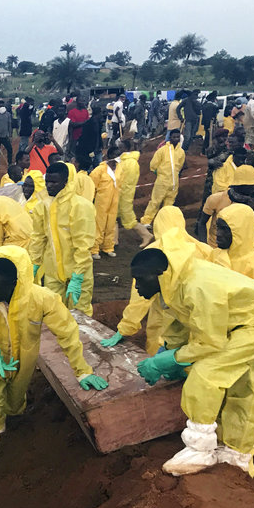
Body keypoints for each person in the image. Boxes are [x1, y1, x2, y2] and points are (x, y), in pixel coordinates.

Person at [130, 244, 254, 477]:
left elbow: (209, 342)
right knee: (242, 382)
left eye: (140, 279)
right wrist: (167, 350)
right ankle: (235, 456)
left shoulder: (197, 286)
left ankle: (201, 448)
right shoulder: (173, 284)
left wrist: (172, 360)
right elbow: (179, 323)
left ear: (159, 274)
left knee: (208, 371)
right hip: (240, 323)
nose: (137, 286)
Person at [0, 245, 105, 452]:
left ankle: (9, 422)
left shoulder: (41, 299)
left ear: (15, 284)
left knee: (14, 404)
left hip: (24, 363)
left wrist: (82, 371)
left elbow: (67, 332)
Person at [103, 206, 213, 356]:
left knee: (160, 363)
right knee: (190, 357)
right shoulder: (204, 249)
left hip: (164, 320)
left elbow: (140, 297)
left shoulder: (153, 253)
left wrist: (126, 327)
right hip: (197, 319)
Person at [30, 163, 96, 315]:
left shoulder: (79, 206)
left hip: (77, 270)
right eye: (48, 181)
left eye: (54, 182)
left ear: (65, 182)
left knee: (80, 313)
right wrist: (35, 262)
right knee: (54, 312)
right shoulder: (43, 206)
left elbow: (83, 245)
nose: (49, 186)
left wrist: (78, 275)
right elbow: (38, 237)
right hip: (53, 270)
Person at [141, 129, 186, 227]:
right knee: (155, 202)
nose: (176, 139)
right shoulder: (162, 150)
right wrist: (160, 174)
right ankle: (146, 221)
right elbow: (153, 165)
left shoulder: (181, 152)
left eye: (178, 137)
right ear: (170, 138)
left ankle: (164, 222)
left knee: (169, 205)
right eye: (174, 137)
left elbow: (180, 166)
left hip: (174, 183)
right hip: (162, 182)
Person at [89, 147, 121, 259]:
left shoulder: (120, 169)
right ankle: (94, 248)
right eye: (115, 155)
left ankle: (108, 247)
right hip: (101, 203)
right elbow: (92, 187)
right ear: (108, 157)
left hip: (114, 202)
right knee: (99, 224)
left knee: (111, 224)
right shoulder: (99, 170)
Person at [0, 100, 14, 167]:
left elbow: (10, 125)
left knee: (10, 149)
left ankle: (10, 163)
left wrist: (10, 135)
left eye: (2, 105)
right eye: (0, 105)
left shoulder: (8, 114)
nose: (1, 106)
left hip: (5, 136)